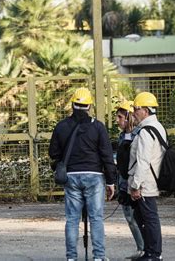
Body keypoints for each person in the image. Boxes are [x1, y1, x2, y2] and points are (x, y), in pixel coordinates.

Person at [49, 87, 116, 261]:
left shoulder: (61, 126)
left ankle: (71, 257)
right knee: (96, 218)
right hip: (94, 176)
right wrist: (111, 181)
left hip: (71, 176)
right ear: (89, 106)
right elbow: (107, 156)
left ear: (72, 104)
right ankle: (99, 257)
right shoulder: (98, 127)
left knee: (72, 219)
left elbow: (53, 153)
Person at [128, 92, 166, 261]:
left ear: (144, 110)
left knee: (149, 218)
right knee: (142, 216)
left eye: (136, 109)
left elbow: (142, 161)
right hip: (152, 178)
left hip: (145, 183)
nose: (134, 113)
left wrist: (135, 185)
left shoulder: (145, 131)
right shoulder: (158, 127)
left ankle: (154, 254)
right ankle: (150, 252)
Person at [114, 100, 144, 260]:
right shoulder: (121, 136)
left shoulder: (139, 134)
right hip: (123, 181)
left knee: (138, 216)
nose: (117, 120)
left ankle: (145, 249)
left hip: (135, 182)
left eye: (120, 117)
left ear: (128, 116)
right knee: (130, 217)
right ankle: (141, 249)